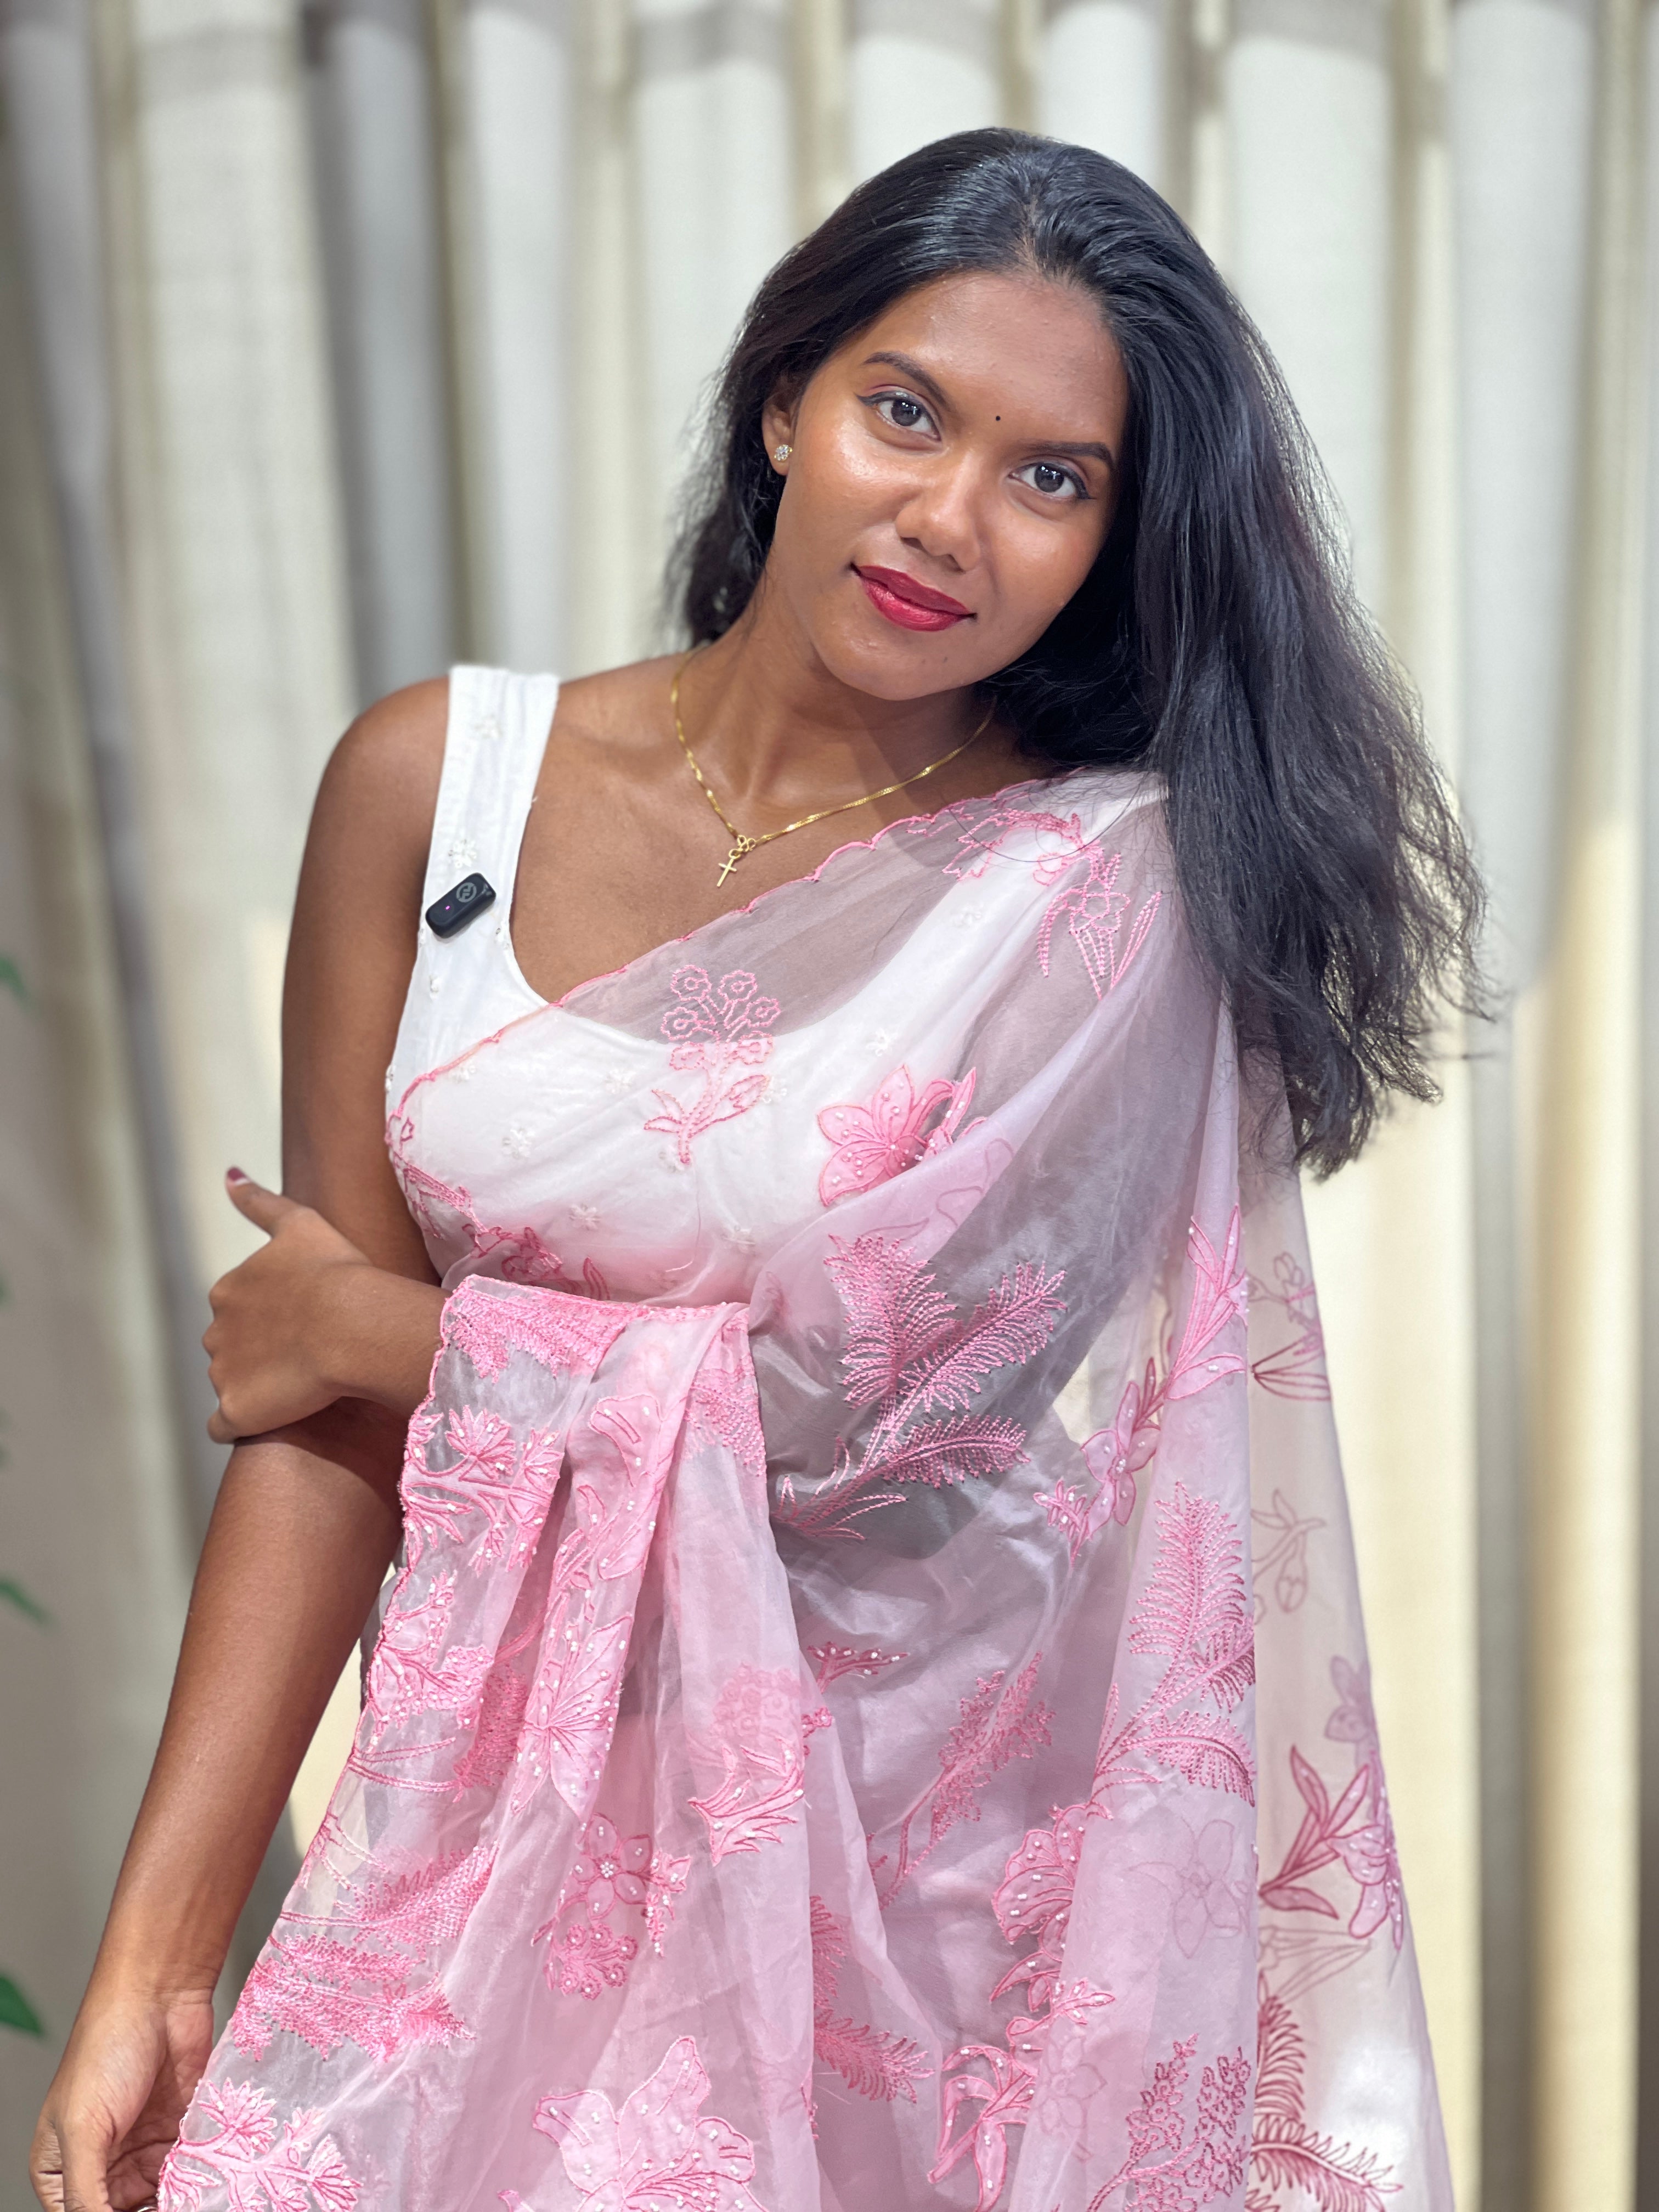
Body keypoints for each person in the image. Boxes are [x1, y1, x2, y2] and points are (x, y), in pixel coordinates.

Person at [32, 129, 1481, 2212]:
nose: (950, 517)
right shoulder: (438, 787)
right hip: (480, 1845)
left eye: (1051, 478)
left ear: (1110, 541)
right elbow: (315, 1425)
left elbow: (852, 1420)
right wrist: (158, 1957)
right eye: (908, 413)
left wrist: (381, 1326)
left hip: (909, 1887)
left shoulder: (1099, 894)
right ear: (786, 397)